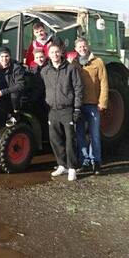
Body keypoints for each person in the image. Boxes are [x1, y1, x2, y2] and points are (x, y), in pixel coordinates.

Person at [40, 43, 83, 182]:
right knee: (55, 139)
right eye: (52, 52)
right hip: (52, 110)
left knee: (70, 139)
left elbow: (78, 88)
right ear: (48, 54)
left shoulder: (70, 69)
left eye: (57, 52)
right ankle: (62, 165)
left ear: (61, 53)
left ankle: (72, 168)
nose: (55, 55)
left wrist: (77, 108)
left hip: (67, 109)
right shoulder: (45, 71)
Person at [74, 38, 108, 176]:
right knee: (80, 135)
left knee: (94, 135)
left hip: (93, 104)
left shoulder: (98, 62)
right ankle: (84, 162)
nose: (82, 48)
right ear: (75, 49)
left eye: (84, 46)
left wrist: (103, 102)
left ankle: (96, 162)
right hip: (79, 105)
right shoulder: (74, 63)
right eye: (79, 47)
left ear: (88, 46)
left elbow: (104, 83)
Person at [0, 46, 25, 127]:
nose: (4, 59)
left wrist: (2, 92)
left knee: (14, 95)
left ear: (10, 57)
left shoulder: (16, 68)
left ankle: (14, 115)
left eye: (6, 56)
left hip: (10, 94)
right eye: (1, 56)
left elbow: (20, 85)